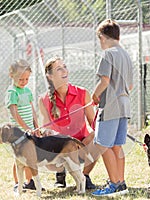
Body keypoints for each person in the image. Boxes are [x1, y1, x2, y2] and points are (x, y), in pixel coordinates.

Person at [38, 56, 97, 190]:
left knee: (99, 136)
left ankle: (85, 176)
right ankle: (60, 173)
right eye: (59, 69)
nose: (65, 71)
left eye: (65, 67)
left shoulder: (82, 93)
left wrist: (100, 133)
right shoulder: (43, 100)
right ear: (50, 76)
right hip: (59, 150)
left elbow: (93, 122)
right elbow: (46, 130)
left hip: (81, 146)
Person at [91, 19, 133, 196]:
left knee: (102, 145)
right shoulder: (126, 54)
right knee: (117, 145)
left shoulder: (108, 54)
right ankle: (121, 183)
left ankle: (114, 184)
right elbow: (130, 86)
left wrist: (95, 95)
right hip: (125, 105)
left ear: (102, 37)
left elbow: (105, 81)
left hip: (110, 106)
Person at [4, 59, 41, 193]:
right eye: (21, 79)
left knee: (30, 156)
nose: (24, 82)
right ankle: (17, 183)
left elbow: (32, 110)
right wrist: (25, 128)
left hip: (29, 130)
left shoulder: (27, 91)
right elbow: (14, 113)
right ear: (11, 76)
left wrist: (36, 127)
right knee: (19, 158)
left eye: (26, 79)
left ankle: (29, 181)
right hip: (17, 133)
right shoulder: (12, 92)